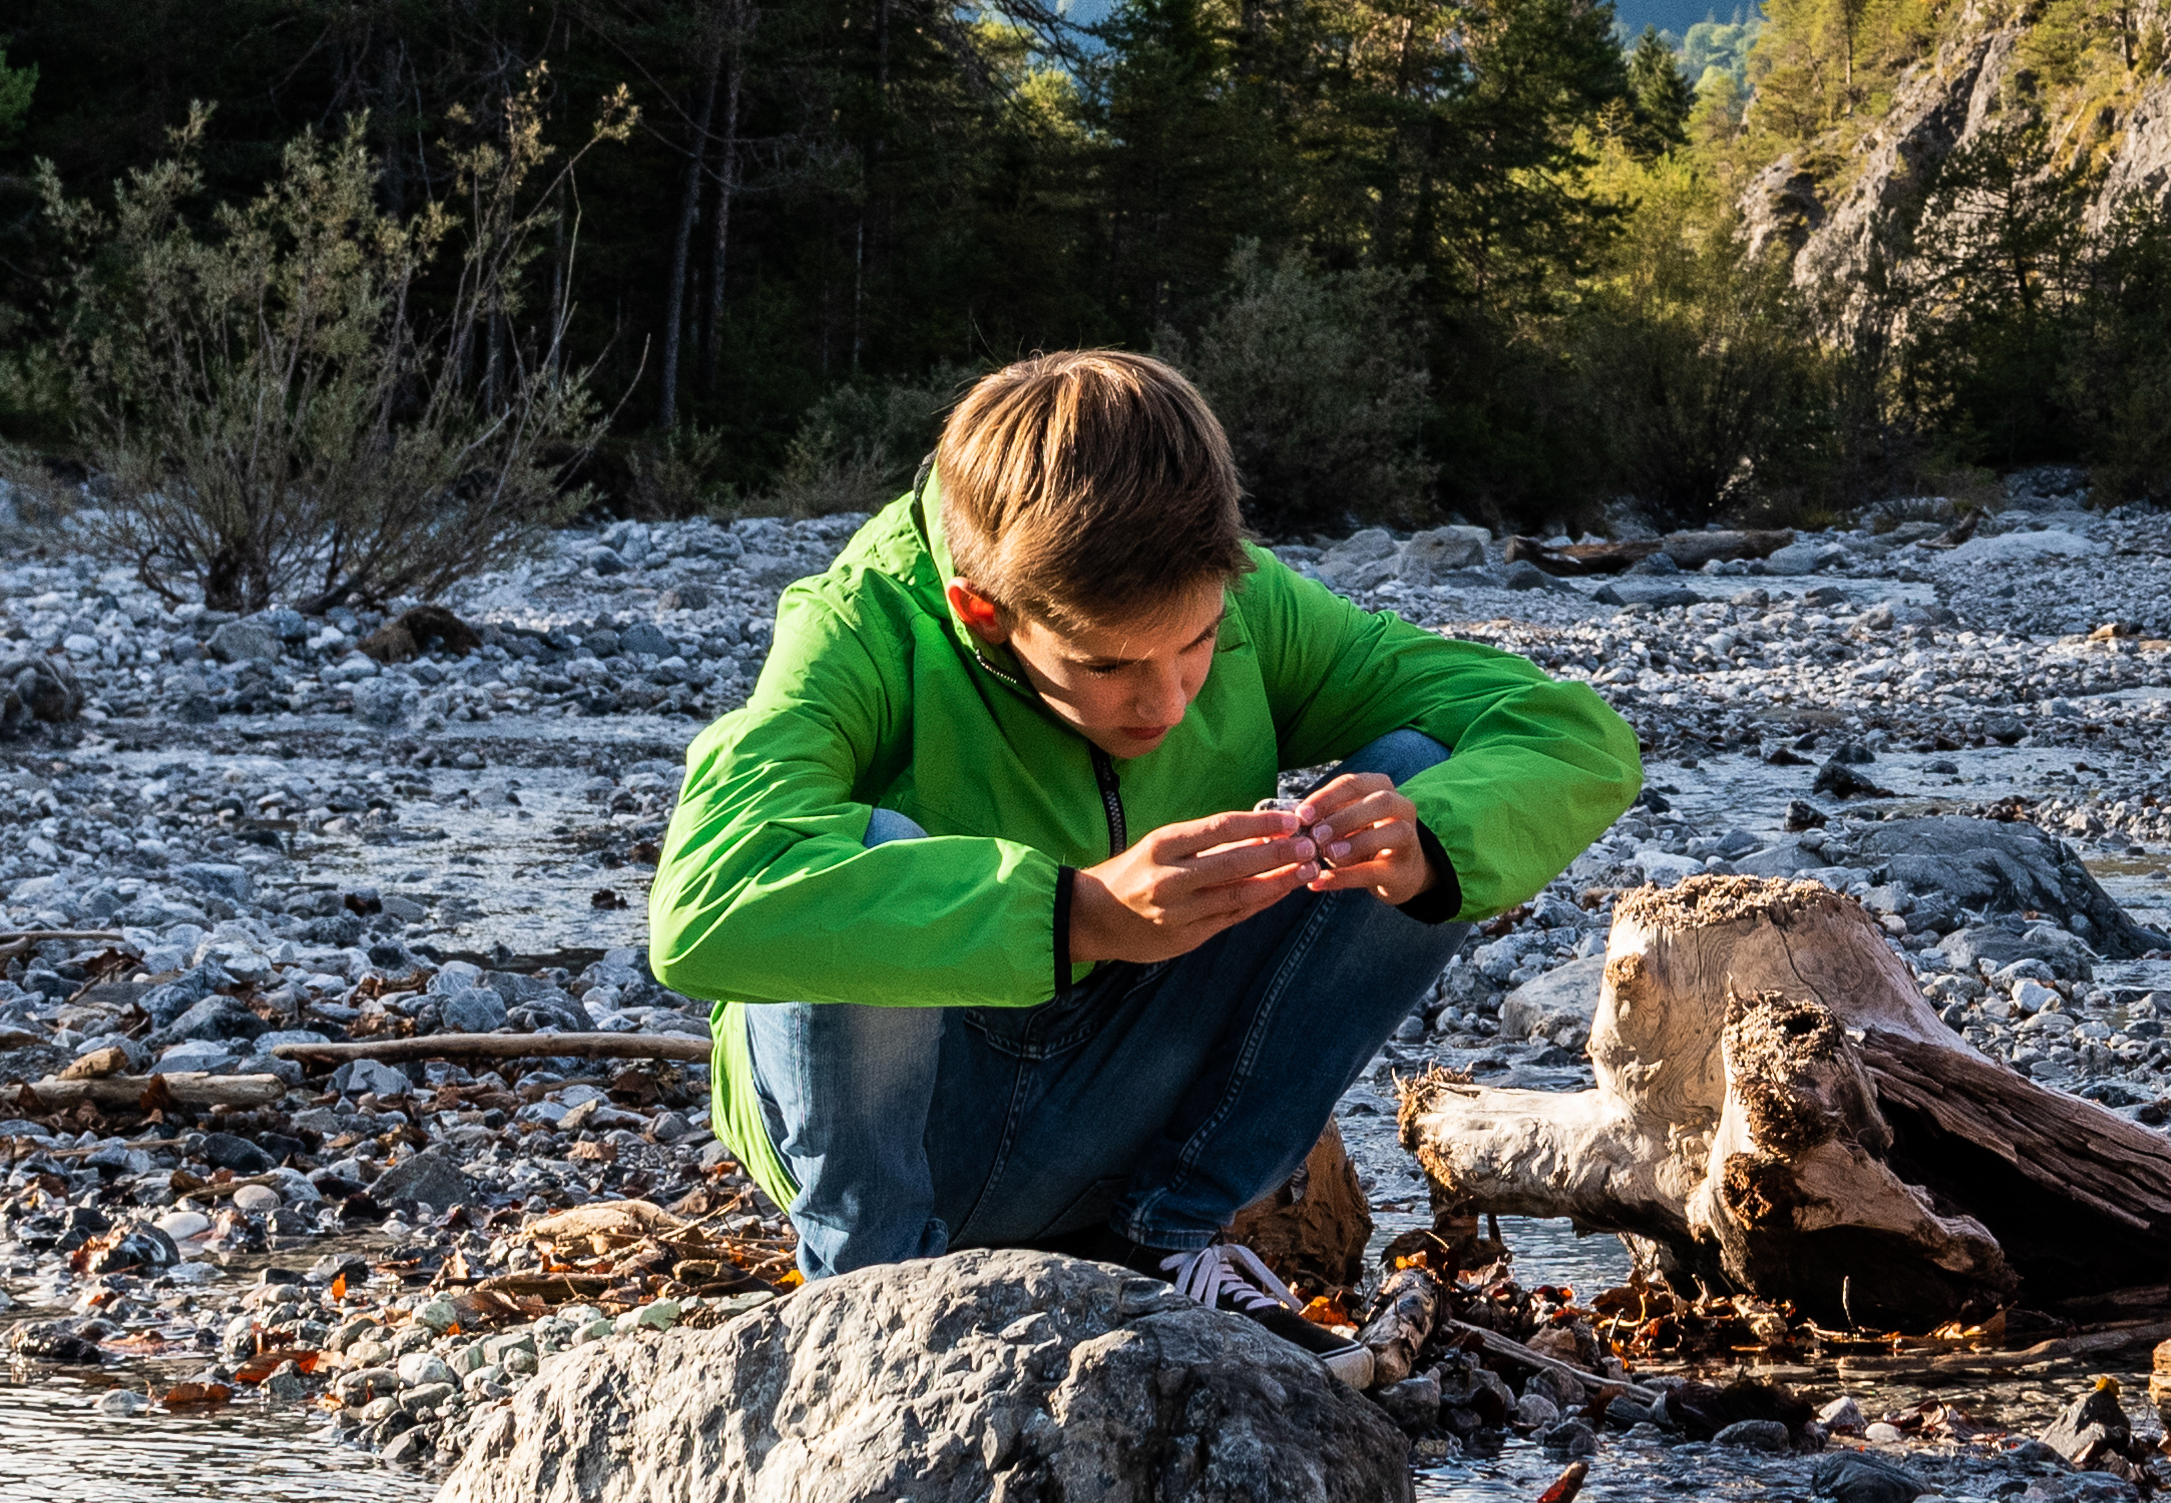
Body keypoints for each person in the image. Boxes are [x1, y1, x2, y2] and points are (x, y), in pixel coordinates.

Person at [650, 348, 1644, 1311]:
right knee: (864, 850)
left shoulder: (1256, 606)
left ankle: (1159, 1247)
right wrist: (1077, 913)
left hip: (1108, 1122)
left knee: (1414, 794)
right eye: (1109, 664)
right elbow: (706, 902)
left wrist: (1421, 839)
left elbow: (1571, 734)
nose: (1166, 700)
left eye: (1197, 641)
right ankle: (872, 1294)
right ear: (983, 611)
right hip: (910, 1140)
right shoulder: (863, 623)